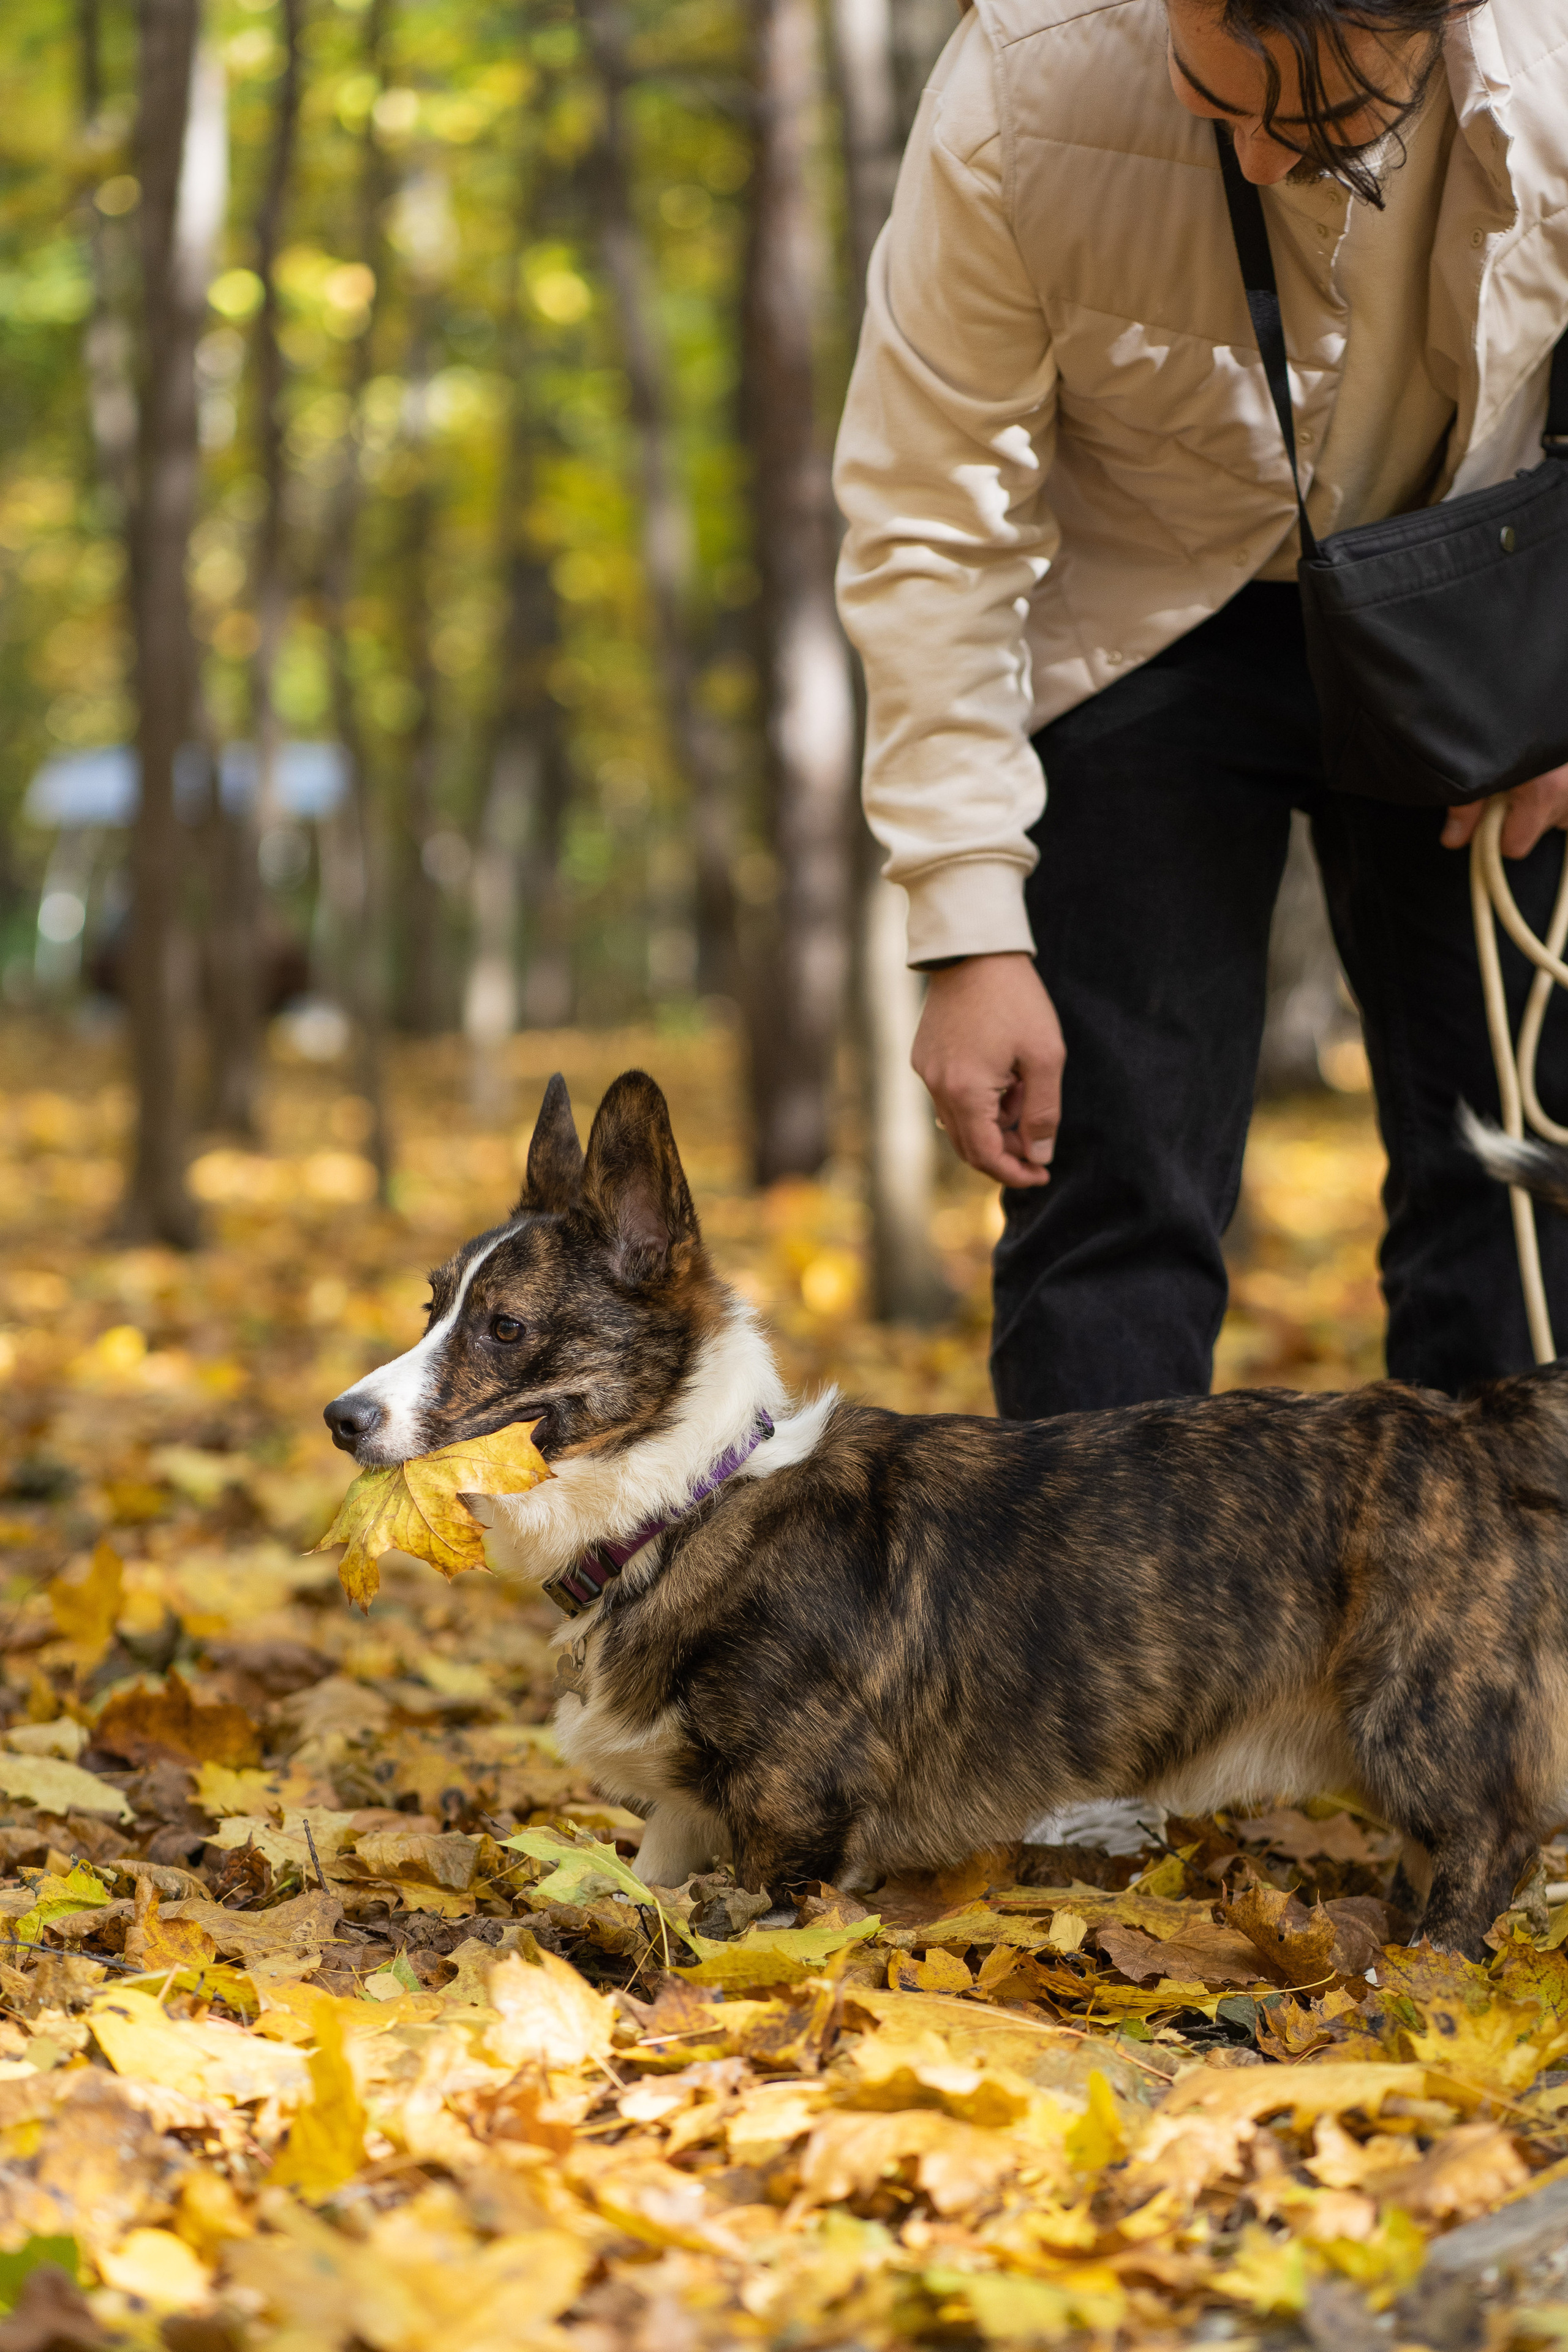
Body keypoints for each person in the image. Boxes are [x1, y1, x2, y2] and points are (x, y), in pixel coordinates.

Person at [834, 0, 1568, 1418]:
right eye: (1206, 96)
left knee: (1511, 1185)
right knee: (1106, 1195)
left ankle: (1498, 1571)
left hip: (1477, 596)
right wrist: (967, 924)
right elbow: (929, 519)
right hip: (1137, 623)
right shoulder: (1021, 79)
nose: (1253, 161)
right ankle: (1098, 1578)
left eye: (1311, 124)